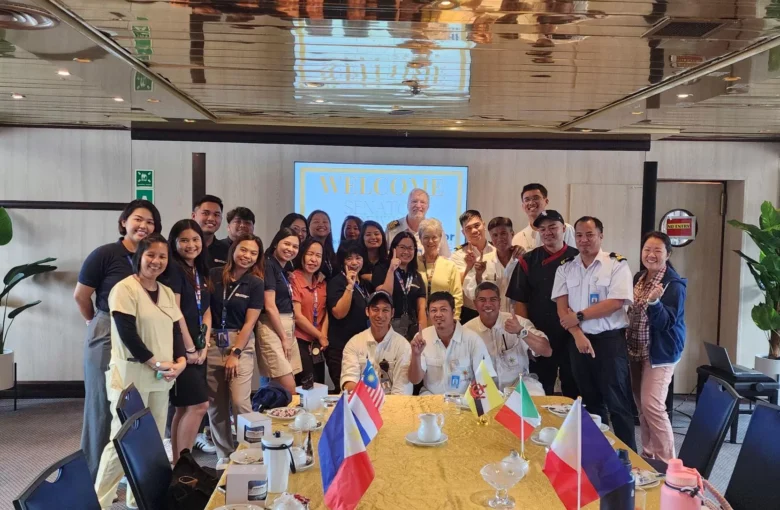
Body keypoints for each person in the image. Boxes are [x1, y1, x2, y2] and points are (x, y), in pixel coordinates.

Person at [94, 233, 187, 508]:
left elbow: (175, 329)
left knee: (152, 441)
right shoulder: (124, 289)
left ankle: (139, 499)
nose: (156, 261)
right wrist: (154, 362)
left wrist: (181, 360)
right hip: (131, 375)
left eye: (162, 256)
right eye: (151, 255)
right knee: (122, 440)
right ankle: (97, 500)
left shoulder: (166, 291)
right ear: (139, 257)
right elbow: (127, 334)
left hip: (161, 377)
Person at [74, 199, 162, 480]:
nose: (143, 226)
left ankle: (127, 474)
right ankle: (93, 477)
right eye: (138, 219)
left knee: (137, 405)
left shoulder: (154, 258)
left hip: (141, 335)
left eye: (150, 222)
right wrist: (95, 322)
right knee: (102, 407)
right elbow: (81, 295)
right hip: (107, 332)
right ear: (124, 222)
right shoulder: (105, 254)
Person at [552, 216, 636, 450]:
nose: (584, 240)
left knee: (617, 402)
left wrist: (579, 316)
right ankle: (599, 454)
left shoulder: (616, 264)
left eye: (589, 235)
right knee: (590, 402)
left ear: (600, 236)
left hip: (609, 342)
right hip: (578, 342)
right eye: (579, 235)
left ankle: (628, 457)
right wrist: (578, 334)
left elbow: (616, 302)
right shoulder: (566, 267)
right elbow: (562, 308)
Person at [506, 210, 579, 398]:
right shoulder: (528, 260)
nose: (547, 233)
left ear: (564, 229)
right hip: (540, 336)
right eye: (543, 229)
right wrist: (527, 335)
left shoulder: (578, 258)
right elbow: (520, 301)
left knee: (574, 387)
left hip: (572, 335)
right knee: (540, 389)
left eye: (552, 227)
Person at [628, 232, 687, 461]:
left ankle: (668, 463)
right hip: (636, 349)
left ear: (668, 254)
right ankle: (649, 456)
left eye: (657, 251)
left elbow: (666, 323)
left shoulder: (674, 285)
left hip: (660, 353)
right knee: (642, 408)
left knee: (652, 406)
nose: (651, 255)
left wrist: (654, 302)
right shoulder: (639, 277)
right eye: (647, 250)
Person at [207, 234, 265, 467]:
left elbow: (250, 323)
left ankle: (249, 452)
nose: (247, 256)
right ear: (233, 249)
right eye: (243, 250)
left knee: (240, 401)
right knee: (216, 406)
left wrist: (235, 353)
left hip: (240, 343)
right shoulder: (214, 275)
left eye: (253, 253)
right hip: (212, 342)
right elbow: (206, 310)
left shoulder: (255, 283)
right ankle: (224, 454)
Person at [163, 220, 212, 464]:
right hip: (181, 349)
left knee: (184, 407)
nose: (191, 245)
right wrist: (190, 347)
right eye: (184, 240)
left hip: (198, 348)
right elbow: (175, 312)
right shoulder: (174, 269)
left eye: (195, 239)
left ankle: (178, 464)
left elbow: (207, 310)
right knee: (199, 406)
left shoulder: (200, 270)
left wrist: (205, 344)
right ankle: (184, 463)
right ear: (173, 243)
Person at [465, 282, 551, 389]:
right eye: (482, 300)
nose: (488, 304)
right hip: (484, 390)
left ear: (499, 302)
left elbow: (547, 351)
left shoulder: (518, 322)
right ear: (475, 303)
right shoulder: (467, 331)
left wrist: (521, 331)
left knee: (535, 392)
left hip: (519, 386)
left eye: (493, 299)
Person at [408, 291, 495, 395]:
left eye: (443, 310)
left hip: (464, 399)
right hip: (431, 398)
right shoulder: (422, 338)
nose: (438, 314)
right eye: (433, 310)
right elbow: (415, 380)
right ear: (428, 313)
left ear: (453, 312)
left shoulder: (472, 339)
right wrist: (416, 355)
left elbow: (486, 379)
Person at [340, 291, 413, 395]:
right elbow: (349, 381)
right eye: (375, 309)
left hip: (392, 402)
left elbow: (402, 391)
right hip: (361, 401)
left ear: (392, 313)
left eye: (385, 310)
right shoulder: (354, 343)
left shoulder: (403, 346)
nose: (380, 315)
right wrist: (369, 400)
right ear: (367, 311)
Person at [257, 228, 302, 395]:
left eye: (295, 246)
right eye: (287, 244)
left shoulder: (283, 267)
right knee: (288, 388)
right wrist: (284, 337)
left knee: (281, 388)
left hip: (286, 324)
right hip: (272, 326)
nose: (291, 249)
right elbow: (269, 305)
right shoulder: (268, 264)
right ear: (276, 243)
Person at [327, 240, 373, 391]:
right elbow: (339, 313)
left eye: (358, 258)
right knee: (347, 393)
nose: (354, 262)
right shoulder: (337, 282)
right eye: (349, 258)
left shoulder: (365, 284)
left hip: (361, 347)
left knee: (365, 392)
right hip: (340, 348)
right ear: (342, 261)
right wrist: (349, 287)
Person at [373, 232, 427, 340]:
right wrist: (391, 269)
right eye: (402, 247)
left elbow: (421, 308)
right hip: (386, 327)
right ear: (394, 248)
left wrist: (422, 333)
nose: (406, 252)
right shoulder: (381, 269)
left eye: (410, 248)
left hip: (411, 330)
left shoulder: (416, 276)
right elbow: (385, 295)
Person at [291, 238, 328, 386]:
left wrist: (323, 336)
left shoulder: (321, 282)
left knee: (319, 385)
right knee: (306, 386)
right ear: (302, 254)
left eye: (318, 256)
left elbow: (325, 312)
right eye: (310, 254)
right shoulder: (293, 279)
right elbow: (297, 316)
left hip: (317, 343)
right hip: (299, 341)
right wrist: (320, 335)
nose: (314, 259)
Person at [463, 217, 518, 314]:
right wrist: (478, 276)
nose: (499, 238)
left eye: (503, 233)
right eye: (495, 235)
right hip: (491, 317)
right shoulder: (482, 261)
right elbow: (470, 293)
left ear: (512, 234)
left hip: (517, 317)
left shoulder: (521, 261)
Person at [451, 210, 495, 323]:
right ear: (463, 233)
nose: (474, 231)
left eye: (477, 225)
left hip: (495, 310)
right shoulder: (458, 255)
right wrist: (468, 267)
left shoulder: (497, 251)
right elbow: (457, 285)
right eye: (468, 228)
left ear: (483, 225)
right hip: (469, 312)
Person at [417, 218, 463, 319]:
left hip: (443, 321)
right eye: (426, 237)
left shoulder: (450, 266)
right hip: (417, 321)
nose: (430, 241)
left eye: (434, 237)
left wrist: (454, 320)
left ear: (440, 238)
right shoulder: (414, 264)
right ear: (420, 238)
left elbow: (457, 297)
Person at [386, 188, 450, 257]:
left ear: (428, 206)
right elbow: (384, 257)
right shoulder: (393, 229)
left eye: (422, 202)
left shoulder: (436, 229)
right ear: (407, 204)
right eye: (414, 201)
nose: (418, 205)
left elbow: (446, 258)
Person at [512, 183, 575, 252]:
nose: (531, 203)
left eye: (536, 198)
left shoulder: (565, 229)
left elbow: (574, 256)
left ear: (546, 201)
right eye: (527, 200)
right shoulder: (518, 238)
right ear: (523, 206)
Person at [192, 195, 228, 267]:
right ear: (193, 216)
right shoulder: (180, 247)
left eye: (216, 215)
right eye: (205, 213)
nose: (211, 218)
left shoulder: (227, 251)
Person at [308, 209, 337, 280]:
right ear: (308, 227)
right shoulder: (304, 250)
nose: (321, 225)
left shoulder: (332, 254)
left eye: (325, 222)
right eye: (316, 222)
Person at [359, 220, 388, 285]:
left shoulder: (389, 260)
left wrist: (371, 278)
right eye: (368, 234)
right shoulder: (357, 260)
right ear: (362, 238)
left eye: (376, 234)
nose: (373, 237)